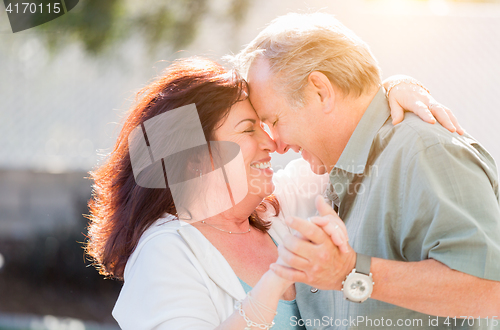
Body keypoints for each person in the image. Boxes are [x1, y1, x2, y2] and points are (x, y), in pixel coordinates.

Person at [85, 57, 461, 329]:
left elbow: (344, 143)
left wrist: (395, 87)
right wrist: (276, 280)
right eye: (249, 129)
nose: (270, 142)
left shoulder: (280, 207)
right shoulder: (165, 252)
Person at [233, 12, 500, 329]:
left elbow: (490, 289)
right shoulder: (332, 174)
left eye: (274, 122)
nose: (276, 144)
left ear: (321, 91)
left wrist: (349, 273)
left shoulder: (422, 152)